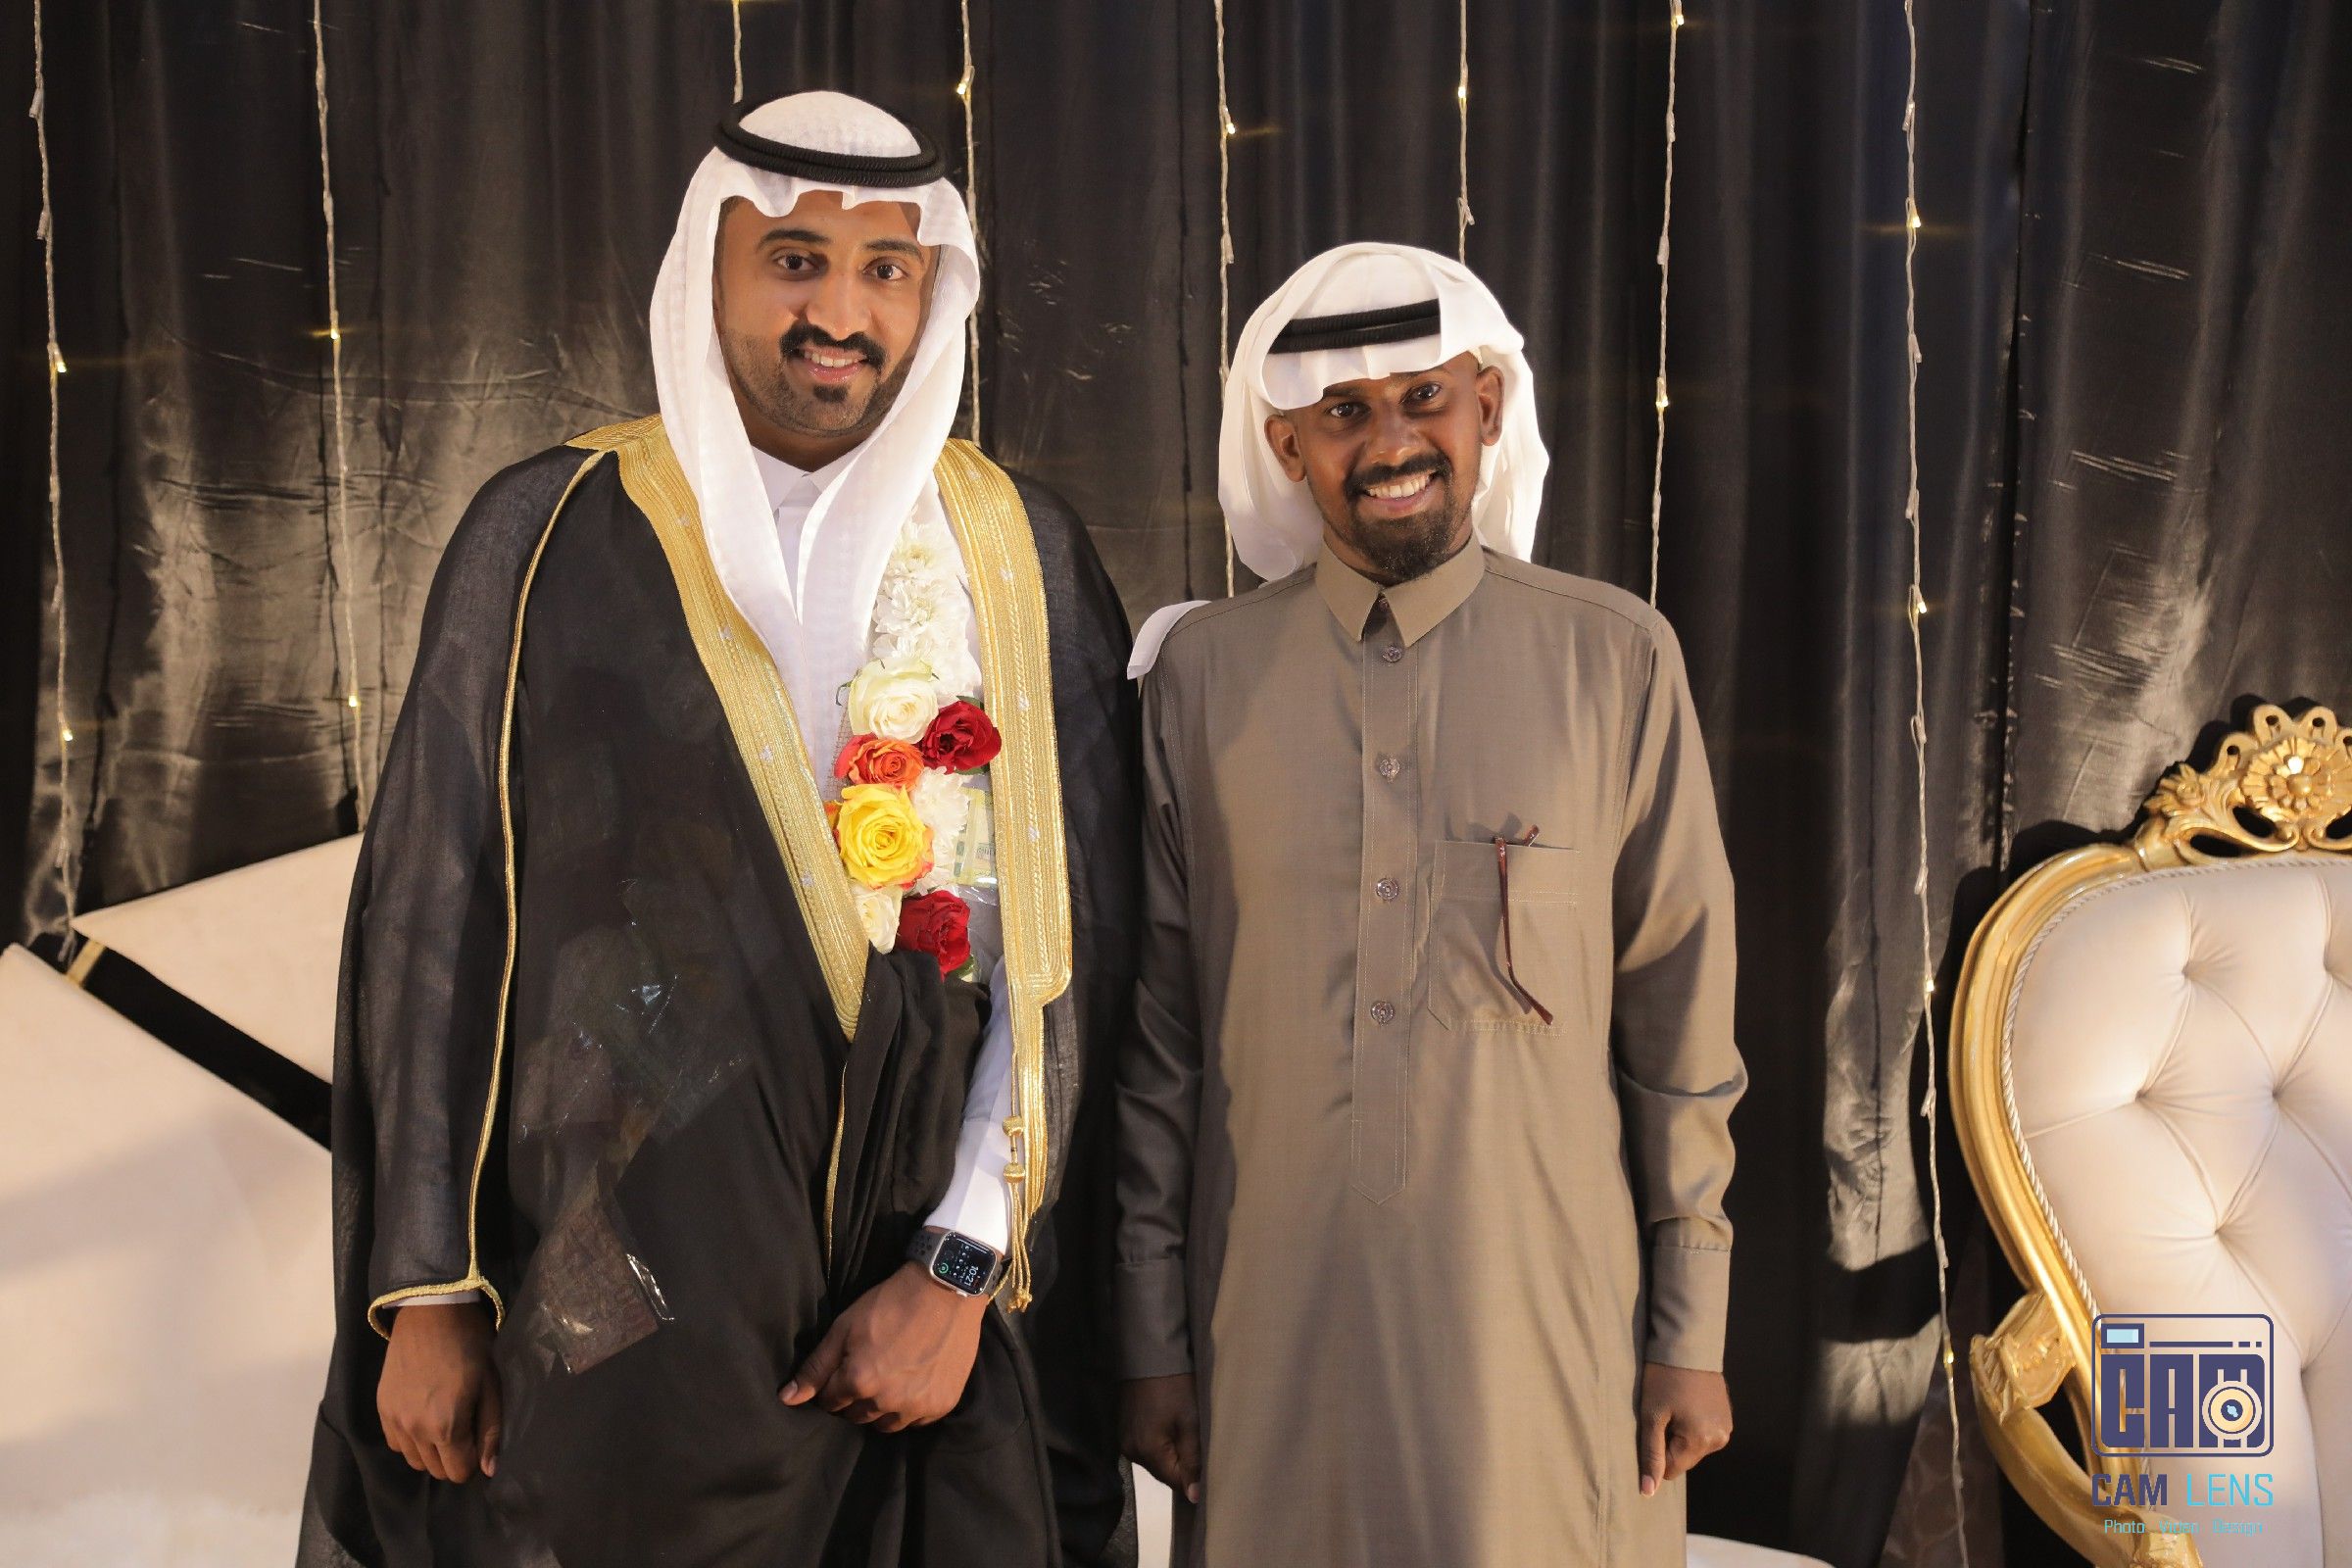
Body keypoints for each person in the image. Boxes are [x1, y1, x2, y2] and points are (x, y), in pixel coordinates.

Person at [299, 91, 1141, 1568]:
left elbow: (1063, 960)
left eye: (886, 270)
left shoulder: (1019, 555)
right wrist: (428, 1288)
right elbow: (434, 920)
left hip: (918, 1322)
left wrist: (958, 1268)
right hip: (620, 1308)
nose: (843, 313)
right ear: (710, 268)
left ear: (933, 289)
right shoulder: (545, 531)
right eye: (795, 260)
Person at [1114, 243, 1743, 1567]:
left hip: (1548, 1336)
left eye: (1424, 399)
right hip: (1270, 1331)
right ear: (1287, 447)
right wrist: (1150, 1335)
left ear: (1489, 409)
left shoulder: (1615, 660)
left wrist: (1690, 1327)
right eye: (1343, 412)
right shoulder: (1200, 681)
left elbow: (1682, 1026)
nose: (1390, 442)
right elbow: (1160, 1045)